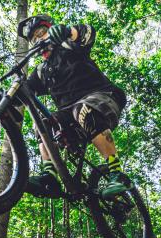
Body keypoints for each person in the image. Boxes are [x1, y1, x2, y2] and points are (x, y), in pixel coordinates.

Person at [17, 14, 130, 199]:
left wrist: (68, 31)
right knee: (43, 123)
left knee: (83, 111)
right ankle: (50, 177)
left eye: (42, 33)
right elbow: (23, 94)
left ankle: (117, 173)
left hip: (102, 98)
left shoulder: (68, 45)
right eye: (34, 39)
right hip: (70, 117)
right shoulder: (41, 71)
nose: (39, 40)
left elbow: (88, 33)